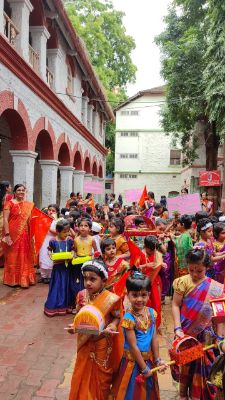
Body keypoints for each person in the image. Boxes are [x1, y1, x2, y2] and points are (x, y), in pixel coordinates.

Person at [172, 248, 225, 399]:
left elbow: (219, 316)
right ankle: (183, 395)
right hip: (185, 333)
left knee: (204, 370)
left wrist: (220, 337)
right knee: (185, 368)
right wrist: (177, 327)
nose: (195, 274)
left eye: (199, 271)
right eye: (191, 270)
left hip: (206, 335)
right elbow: (175, 305)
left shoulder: (216, 288)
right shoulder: (181, 282)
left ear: (207, 268)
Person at [68, 257, 123, 400]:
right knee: (82, 372)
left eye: (93, 279)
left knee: (102, 377)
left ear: (104, 280)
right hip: (84, 341)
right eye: (85, 278)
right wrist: (74, 326)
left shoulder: (111, 299)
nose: (87, 283)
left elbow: (117, 317)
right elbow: (79, 317)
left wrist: (112, 325)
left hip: (102, 342)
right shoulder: (81, 296)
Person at [113, 271, 166, 399]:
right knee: (132, 391)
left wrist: (158, 359)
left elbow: (154, 338)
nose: (139, 299)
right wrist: (143, 368)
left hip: (148, 360)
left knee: (148, 390)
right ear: (127, 295)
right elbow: (133, 346)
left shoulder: (151, 313)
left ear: (149, 294)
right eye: (135, 295)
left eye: (143, 295)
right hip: (133, 363)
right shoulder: (128, 318)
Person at [3, 184, 36, 288]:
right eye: (19, 190)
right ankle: (13, 280)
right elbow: (5, 220)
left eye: (23, 190)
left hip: (25, 234)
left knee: (25, 255)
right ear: (15, 192)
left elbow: (32, 219)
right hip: (13, 234)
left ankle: (25, 278)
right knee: (13, 256)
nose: (21, 192)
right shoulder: (9, 203)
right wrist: (7, 234)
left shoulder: (28, 204)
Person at [44, 219, 74, 317]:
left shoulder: (69, 240)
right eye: (64, 232)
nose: (66, 234)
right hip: (58, 267)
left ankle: (66, 306)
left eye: (68, 231)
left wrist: (72, 254)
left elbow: (73, 250)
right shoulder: (53, 241)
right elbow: (49, 250)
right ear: (57, 231)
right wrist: (50, 255)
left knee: (67, 285)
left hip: (68, 267)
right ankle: (54, 307)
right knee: (57, 286)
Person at [139, 235, 164, 328]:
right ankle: (145, 324)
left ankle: (155, 326)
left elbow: (159, 262)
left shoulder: (157, 253)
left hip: (156, 282)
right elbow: (133, 268)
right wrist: (146, 265)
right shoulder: (140, 254)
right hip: (143, 283)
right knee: (145, 304)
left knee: (157, 304)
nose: (153, 252)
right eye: (151, 250)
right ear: (145, 246)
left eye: (154, 249)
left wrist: (162, 263)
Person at [73, 218, 97, 296]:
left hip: (88, 262)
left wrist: (94, 257)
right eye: (81, 226)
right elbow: (75, 250)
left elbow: (96, 251)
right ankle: (80, 296)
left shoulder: (92, 239)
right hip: (78, 263)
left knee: (88, 279)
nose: (83, 227)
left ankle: (89, 295)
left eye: (86, 226)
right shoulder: (76, 240)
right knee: (79, 279)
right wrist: (74, 256)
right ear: (78, 228)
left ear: (90, 229)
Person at [39, 204, 59, 283]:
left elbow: (58, 232)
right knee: (43, 256)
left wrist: (50, 225)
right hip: (44, 241)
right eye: (49, 210)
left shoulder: (58, 221)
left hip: (53, 241)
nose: (50, 212)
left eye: (53, 211)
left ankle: (50, 276)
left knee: (51, 257)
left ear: (57, 212)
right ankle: (43, 276)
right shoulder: (44, 219)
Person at [0, 181, 12, 267]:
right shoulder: (9, 197)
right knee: (5, 237)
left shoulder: (1, 197)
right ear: (7, 188)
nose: (11, 188)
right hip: (6, 219)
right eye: (10, 187)